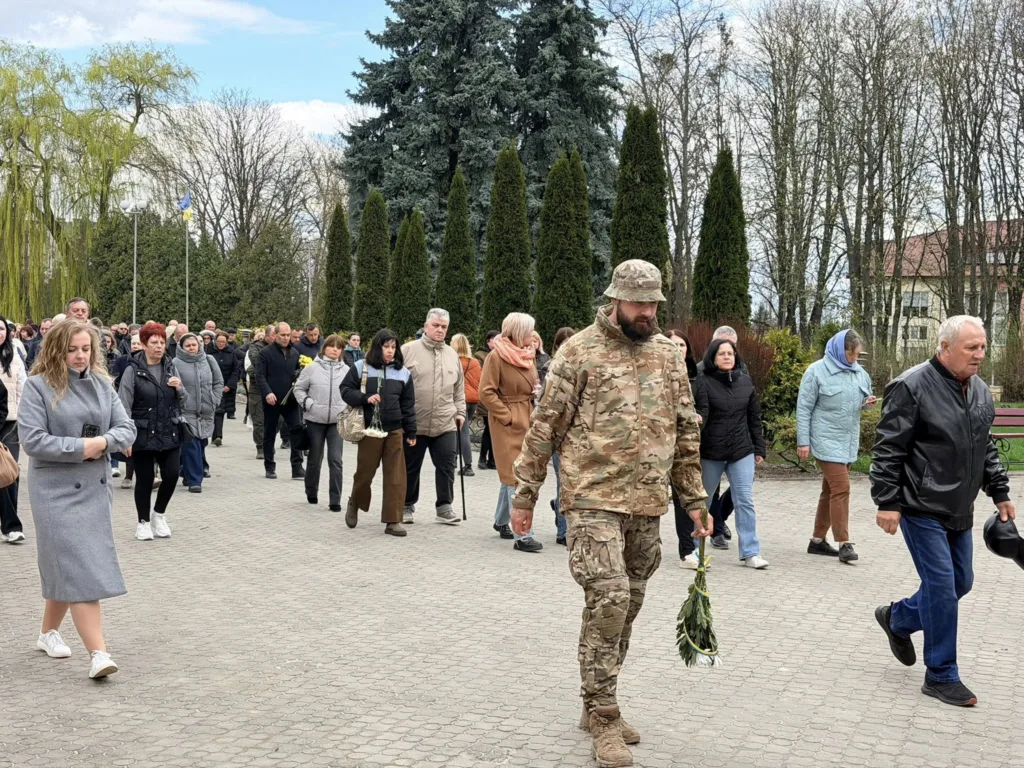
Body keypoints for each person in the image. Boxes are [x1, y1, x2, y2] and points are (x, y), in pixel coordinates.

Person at [511, 260, 708, 767]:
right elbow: (545, 426)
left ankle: (593, 697)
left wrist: (695, 500)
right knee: (610, 596)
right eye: (638, 303)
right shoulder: (578, 352)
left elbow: (686, 431)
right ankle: (603, 715)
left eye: (654, 304)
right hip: (591, 497)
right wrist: (526, 494)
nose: (647, 312)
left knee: (629, 602)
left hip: (646, 501)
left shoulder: (668, 355)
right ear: (616, 300)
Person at [871, 315, 1014, 708]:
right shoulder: (911, 386)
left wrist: (999, 491)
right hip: (920, 506)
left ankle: (898, 619)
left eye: (983, 346)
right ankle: (941, 675)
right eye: (972, 347)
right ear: (945, 347)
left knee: (960, 584)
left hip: (959, 507)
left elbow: (984, 446)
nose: (980, 354)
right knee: (941, 588)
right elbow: (888, 449)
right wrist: (886, 501)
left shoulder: (981, 391)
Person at [18, 319, 137, 679]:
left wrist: (102, 443)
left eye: (86, 349)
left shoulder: (103, 385)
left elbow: (126, 427)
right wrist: (83, 446)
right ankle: (99, 653)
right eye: (72, 349)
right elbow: (33, 440)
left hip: (94, 488)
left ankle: (47, 633)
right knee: (80, 568)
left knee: (68, 566)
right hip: (54, 491)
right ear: (56, 349)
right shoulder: (38, 387)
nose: (80, 355)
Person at [797, 328, 876, 564]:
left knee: (830, 491)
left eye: (857, 355)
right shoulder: (816, 371)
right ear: (840, 350)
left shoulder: (860, 373)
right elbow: (804, 408)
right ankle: (844, 543)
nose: (853, 359)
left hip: (848, 440)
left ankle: (817, 541)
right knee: (842, 488)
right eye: (851, 355)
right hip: (824, 438)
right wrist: (803, 441)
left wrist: (868, 404)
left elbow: (864, 403)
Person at [700, 337, 768, 568]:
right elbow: (700, 418)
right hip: (710, 452)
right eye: (722, 354)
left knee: (745, 500)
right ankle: (695, 549)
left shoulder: (746, 382)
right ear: (713, 357)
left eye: (730, 353)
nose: (727, 357)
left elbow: (754, 418)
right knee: (703, 501)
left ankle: (750, 552)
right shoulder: (704, 382)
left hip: (741, 450)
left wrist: (759, 448)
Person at [341, 329, 416, 536]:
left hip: (395, 430)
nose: (390, 351)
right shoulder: (360, 367)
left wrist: (411, 431)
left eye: (393, 347)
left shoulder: (404, 373)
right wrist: (365, 398)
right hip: (370, 430)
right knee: (365, 474)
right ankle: (355, 502)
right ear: (377, 347)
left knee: (396, 477)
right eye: (386, 346)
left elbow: (408, 405)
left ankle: (393, 520)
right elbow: (345, 390)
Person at [480, 313, 544, 553]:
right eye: (529, 330)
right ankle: (523, 535)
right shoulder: (496, 357)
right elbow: (486, 392)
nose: (532, 335)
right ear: (517, 331)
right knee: (514, 477)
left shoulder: (528, 356)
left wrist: (536, 392)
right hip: (506, 423)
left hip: (527, 417)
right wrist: (507, 416)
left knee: (513, 474)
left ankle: (500, 520)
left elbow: (531, 383)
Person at [118, 323, 185, 539]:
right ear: (144, 345)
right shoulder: (132, 370)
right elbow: (123, 404)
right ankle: (143, 522)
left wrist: (180, 389)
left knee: (172, 474)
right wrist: (125, 437)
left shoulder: (170, 366)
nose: (159, 347)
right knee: (145, 479)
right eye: (154, 343)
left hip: (169, 429)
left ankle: (159, 514)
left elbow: (183, 400)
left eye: (162, 342)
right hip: (143, 431)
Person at [400, 309, 465, 526]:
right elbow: (395, 384)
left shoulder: (452, 354)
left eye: (444, 327)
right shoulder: (408, 350)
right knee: (411, 466)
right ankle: (406, 505)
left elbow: (459, 389)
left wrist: (461, 412)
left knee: (447, 464)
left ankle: (444, 506)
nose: (440, 330)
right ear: (426, 326)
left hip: (445, 421)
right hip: (414, 422)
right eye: (436, 325)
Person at [665, 329, 709, 569]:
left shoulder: (696, 377)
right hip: (656, 448)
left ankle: (687, 551)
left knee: (685, 499)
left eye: (682, 345)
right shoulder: (653, 373)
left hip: (684, 448)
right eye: (673, 345)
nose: (678, 349)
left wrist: (696, 418)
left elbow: (704, 406)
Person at [294, 334, 349, 510]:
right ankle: (311, 491)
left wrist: (346, 408)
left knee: (336, 460)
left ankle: (335, 499)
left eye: (338, 347)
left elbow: (352, 392)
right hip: (315, 420)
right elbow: (299, 389)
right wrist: (308, 404)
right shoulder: (311, 368)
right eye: (331, 346)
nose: (335, 349)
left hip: (336, 421)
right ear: (324, 347)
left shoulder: (346, 370)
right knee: (315, 458)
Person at [174, 333, 223, 493]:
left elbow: (218, 381)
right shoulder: (176, 362)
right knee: (191, 443)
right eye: (188, 346)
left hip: (207, 409)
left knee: (202, 443)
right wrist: (182, 394)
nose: (191, 348)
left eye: (194, 345)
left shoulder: (208, 360)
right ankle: (196, 480)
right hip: (187, 410)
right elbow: (175, 384)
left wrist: (215, 398)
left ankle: (186, 472)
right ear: (182, 347)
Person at [255, 322, 304, 480]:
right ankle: (270, 466)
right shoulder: (265, 353)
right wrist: (267, 392)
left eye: (288, 335)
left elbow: (298, 374)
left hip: (290, 400)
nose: (285, 338)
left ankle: (297, 467)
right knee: (270, 432)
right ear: (275, 335)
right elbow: (260, 376)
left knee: (296, 431)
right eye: (282, 335)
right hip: (272, 400)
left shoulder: (295, 353)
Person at [542, 327, 576, 546]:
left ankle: (559, 508)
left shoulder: (585, 368)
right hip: (558, 433)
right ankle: (563, 531)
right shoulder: (549, 368)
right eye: (563, 343)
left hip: (579, 437)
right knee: (562, 481)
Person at [0, 315, 27, 544]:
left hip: (9, 423)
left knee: (8, 473)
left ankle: (11, 526)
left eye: (1, 329)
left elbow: (23, 390)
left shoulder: (14, 357)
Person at [451, 333, 481, 478]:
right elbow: (479, 381)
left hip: (459, 399)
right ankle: (456, 460)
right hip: (473, 400)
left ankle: (467, 465)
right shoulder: (474, 362)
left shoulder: (453, 361)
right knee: (462, 429)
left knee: (461, 432)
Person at [245, 326, 273, 458]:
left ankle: (269, 442)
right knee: (259, 421)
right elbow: (256, 361)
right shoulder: (256, 347)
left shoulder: (283, 348)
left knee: (277, 420)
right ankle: (261, 447)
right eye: (274, 335)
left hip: (275, 389)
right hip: (257, 390)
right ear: (267, 335)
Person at [209, 331, 240, 447]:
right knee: (216, 410)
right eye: (219, 342)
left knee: (220, 411)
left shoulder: (231, 352)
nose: (221, 344)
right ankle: (216, 435)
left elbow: (235, 369)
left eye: (223, 342)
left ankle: (217, 436)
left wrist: (229, 385)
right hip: (212, 386)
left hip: (226, 386)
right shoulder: (209, 351)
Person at [475, 330, 500, 470]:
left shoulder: (500, 354)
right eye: (495, 339)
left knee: (492, 430)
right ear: (488, 341)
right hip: (485, 398)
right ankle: (482, 458)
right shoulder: (480, 356)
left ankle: (492, 459)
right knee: (488, 429)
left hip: (497, 397)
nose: (497, 342)